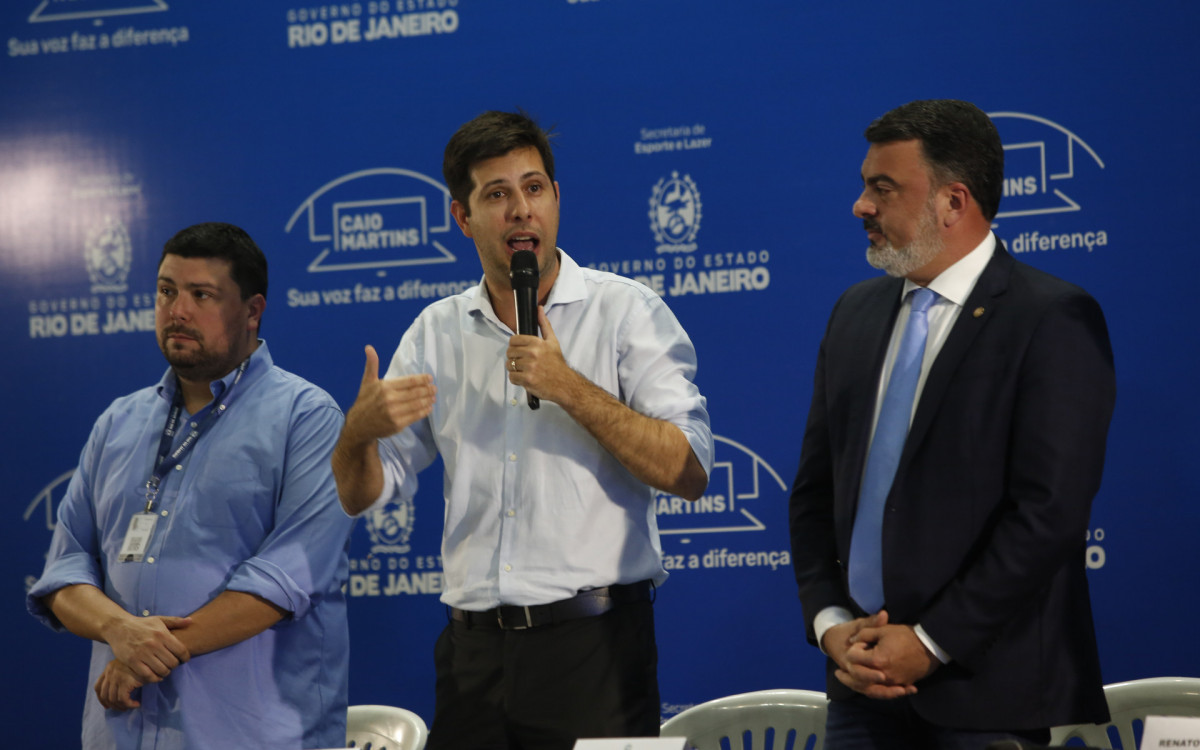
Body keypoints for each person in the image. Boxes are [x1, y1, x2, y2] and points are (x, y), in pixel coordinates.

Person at [332, 109, 713, 749]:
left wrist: (569, 387)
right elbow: (358, 494)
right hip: (472, 657)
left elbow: (688, 471)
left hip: (596, 654)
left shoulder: (626, 312)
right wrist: (357, 436)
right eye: (497, 195)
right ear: (463, 217)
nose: (520, 210)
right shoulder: (435, 333)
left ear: (556, 198)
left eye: (534, 188)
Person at [788, 99, 1115, 749]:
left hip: (986, 693)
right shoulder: (853, 314)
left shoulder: (1050, 318)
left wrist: (931, 642)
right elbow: (815, 495)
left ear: (953, 201)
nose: (860, 205)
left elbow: (1048, 513)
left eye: (883, 188)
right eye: (864, 185)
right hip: (860, 687)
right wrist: (830, 625)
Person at [27, 222, 354, 750]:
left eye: (201, 295)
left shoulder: (307, 418)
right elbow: (64, 571)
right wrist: (118, 631)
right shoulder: (117, 423)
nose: (177, 311)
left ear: (252, 311)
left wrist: (145, 655)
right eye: (166, 291)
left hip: (251, 735)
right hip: (122, 733)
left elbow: (284, 580)